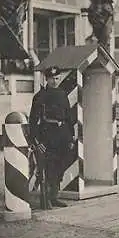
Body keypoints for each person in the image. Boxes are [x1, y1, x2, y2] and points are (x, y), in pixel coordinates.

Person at [29, 66, 75, 208]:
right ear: (46, 79)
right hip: (47, 135)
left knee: (60, 165)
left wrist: (71, 137)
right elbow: (33, 121)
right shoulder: (40, 97)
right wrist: (37, 142)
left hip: (62, 134)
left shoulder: (62, 94)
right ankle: (46, 198)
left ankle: (54, 196)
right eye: (51, 79)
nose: (54, 81)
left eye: (57, 78)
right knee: (49, 167)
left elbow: (68, 117)